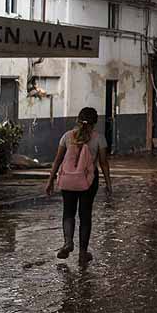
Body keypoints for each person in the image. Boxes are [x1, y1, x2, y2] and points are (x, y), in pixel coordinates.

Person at [46, 107, 111, 263]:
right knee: (85, 214)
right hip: (88, 182)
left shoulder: (67, 137)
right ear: (95, 123)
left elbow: (57, 160)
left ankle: (68, 242)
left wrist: (50, 181)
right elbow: (103, 163)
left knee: (68, 212)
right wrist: (109, 183)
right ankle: (83, 253)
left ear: (77, 120)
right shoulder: (99, 139)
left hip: (68, 181)